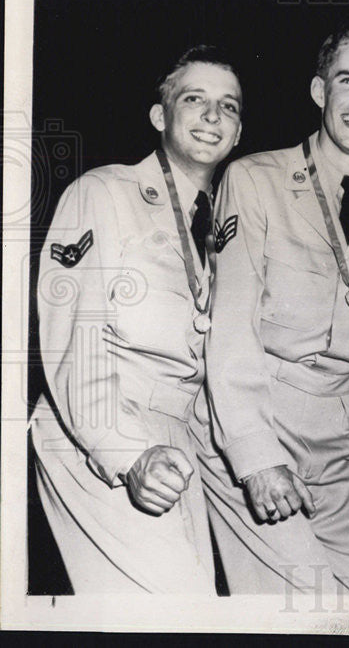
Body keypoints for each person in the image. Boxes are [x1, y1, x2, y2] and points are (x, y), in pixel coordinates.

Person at [197, 28, 349, 595]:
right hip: (255, 421)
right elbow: (229, 330)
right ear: (321, 91)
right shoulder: (255, 180)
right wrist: (254, 457)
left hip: (338, 439)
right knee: (300, 602)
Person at [31, 45, 243, 592]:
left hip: (175, 435)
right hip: (103, 424)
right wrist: (125, 454)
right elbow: (75, 340)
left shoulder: (223, 225)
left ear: (239, 134)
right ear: (160, 116)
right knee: (175, 607)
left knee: (195, 610)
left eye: (229, 106)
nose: (213, 116)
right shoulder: (103, 192)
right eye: (194, 99)